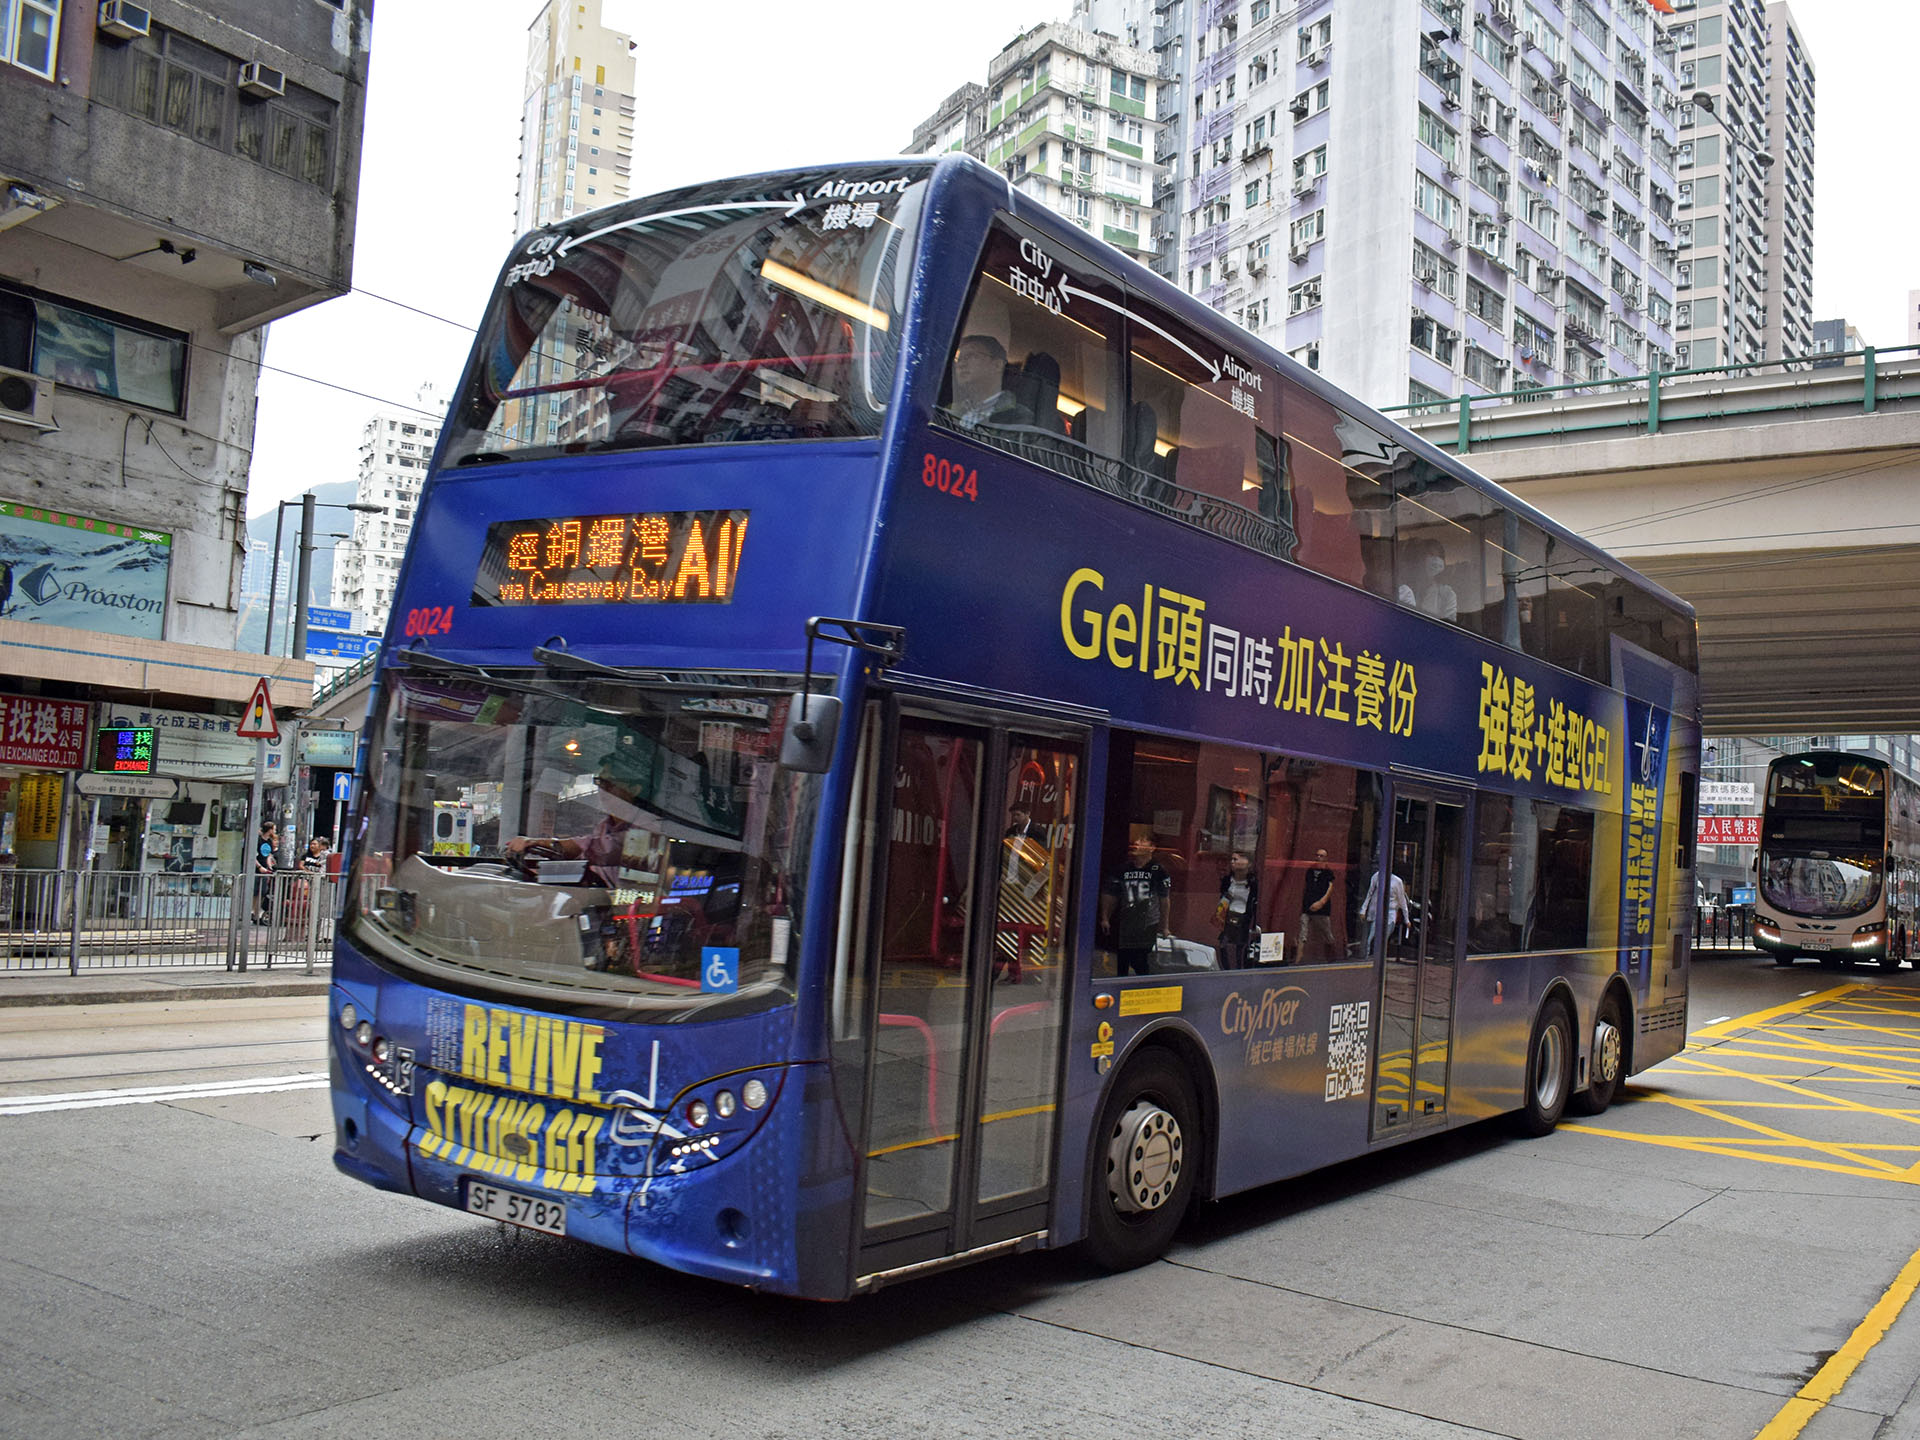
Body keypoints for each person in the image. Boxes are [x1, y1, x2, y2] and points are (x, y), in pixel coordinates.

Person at [1099, 833, 1173, 978]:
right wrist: (1105, 917)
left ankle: (1142, 990)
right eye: (1137, 840)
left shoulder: (1158, 871)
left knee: (1141, 961)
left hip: (1147, 924)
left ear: (1152, 848)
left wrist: (1164, 926)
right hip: (1125, 923)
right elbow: (1110, 895)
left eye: (1142, 840)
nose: (1137, 843)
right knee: (1122, 961)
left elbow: (1164, 900)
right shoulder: (1123, 869)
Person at [946, 334, 1023, 431]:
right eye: (959, 359)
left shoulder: (1019, 418)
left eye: (971, 356)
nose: (961, 364)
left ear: (997, 365)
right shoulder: (948, 411)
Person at [1214, 851, 1259, 968]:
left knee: (1241, 947)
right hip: (1228, 916)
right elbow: (1223, 896)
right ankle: (1226, 969)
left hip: (1244, 917)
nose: (1232, 862)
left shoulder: (1253, 882)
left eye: (1236, 859)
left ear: (1248, 863)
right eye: (1232, 860)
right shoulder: (1228, 880)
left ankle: (1240, 969)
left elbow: (1255, 903)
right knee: (1223, 944)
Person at [1362, 865, 1412, 954]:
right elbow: (1369, 893)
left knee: (1383, 938)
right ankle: (1367, 956)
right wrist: (1363, 909)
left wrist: (1406, 919)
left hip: (1390, 912)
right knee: (1371, 937)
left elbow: (1402, 901)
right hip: (1377, 911)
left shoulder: (1397, 881)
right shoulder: (1376, 877)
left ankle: (1378, 957)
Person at [1299, 847, 1336, 961]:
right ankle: (1298, 958)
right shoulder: (1310, 870)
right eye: (1317, 855)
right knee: (1302, 932)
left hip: (1321, 909)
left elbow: (1330, 888)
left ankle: (1331, 956)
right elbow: (1306, 887)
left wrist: (1321, 902)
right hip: (1307, 906)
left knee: (1326, 932)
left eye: (1321, 856)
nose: (1319, 858)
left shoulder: (1328, 872)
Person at [253, 822, 277, 924]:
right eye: (274, 829)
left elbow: (268, 855)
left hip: (264, 870)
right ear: (270, 829)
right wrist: (259, 867)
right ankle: (250, 911)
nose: (275, 831)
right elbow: (253, 855)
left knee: (262, 892)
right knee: (254, 891)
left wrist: (269, 866)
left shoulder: (270, 841)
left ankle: (256, 913)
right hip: (255, 870)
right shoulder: (258, 840)